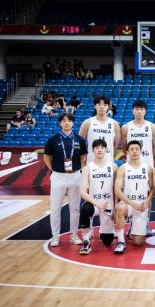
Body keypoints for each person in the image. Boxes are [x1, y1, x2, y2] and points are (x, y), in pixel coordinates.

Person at [43, 113, 87, 247]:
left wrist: (79, 171)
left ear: (73, 123)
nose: (66, 123)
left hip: (75, 176)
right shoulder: (53, 139)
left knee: (75, 208)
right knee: (55, 207)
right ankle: (55, 236)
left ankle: (73, 234)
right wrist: (54, 170)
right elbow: (46, 158)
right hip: (58, 176)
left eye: (69, 121)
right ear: (60, 123)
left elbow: (83, 158)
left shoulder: (79, 139)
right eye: (63, 121)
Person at [113, 140, 155, 254]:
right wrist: (133, 204)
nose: (134, 151)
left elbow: (152, 189)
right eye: (132, 149)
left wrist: (147, 201)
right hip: (128, 203)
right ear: (127, 152)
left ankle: (132, 227)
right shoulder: (123, 168)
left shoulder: (148, 168)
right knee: (120, 208)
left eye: (137, 149)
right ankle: (121, 242)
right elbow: (117, 190)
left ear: (141, 151)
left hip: (142, 205)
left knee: (137, 242)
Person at [78, 139, 118, 255]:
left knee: (107, 241)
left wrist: (115, 206)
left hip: (108, 204)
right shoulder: (88, 168)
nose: (99, 150)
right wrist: (96, 203)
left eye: (102, 147)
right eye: (97, 148)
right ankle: (86, 241)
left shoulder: (113, 166)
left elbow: (117, 189)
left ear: (106, 149)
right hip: (94, 203)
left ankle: (103, 231)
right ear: (93, 150)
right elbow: (82, 192)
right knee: (85, 208)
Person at [79, 96, 120, 163]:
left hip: (108, 162)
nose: (102, 107)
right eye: (99, 104)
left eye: (104, 105)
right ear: (95, 106)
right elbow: (80, 143)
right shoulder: (87, 123)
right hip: (91, 162)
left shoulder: (115, 124)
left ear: (108, 106)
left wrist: (110, 156)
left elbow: (115, 145)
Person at [121, 100, 155, 167]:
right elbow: (124, 147)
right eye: (137, 109)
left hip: (147, 161)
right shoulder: (125, 127)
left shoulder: (152, 127)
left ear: (145, 111)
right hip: (131, 162)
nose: (139, 111)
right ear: (133, 111)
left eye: (142, 109)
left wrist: (150, 155)